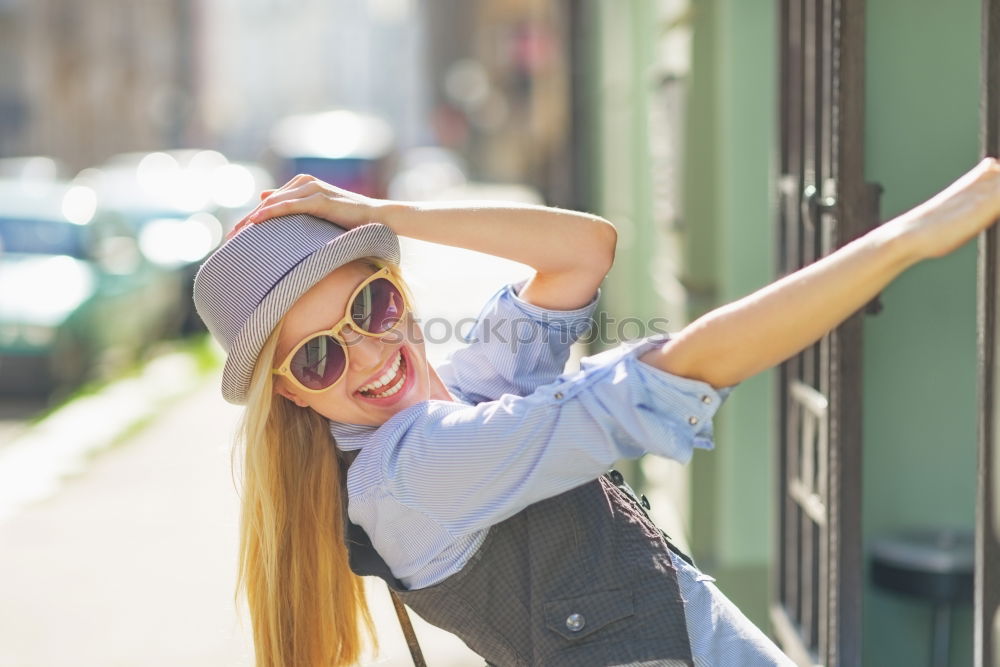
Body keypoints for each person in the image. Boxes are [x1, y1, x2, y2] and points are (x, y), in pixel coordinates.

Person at [193, 159, 1000, 667]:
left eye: (370, 303)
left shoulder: (471, 386)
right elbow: (664, 377)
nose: (370, 352)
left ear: (397, 290)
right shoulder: (413, 469)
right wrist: (909, 240)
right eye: (320, 355)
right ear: (292, 391)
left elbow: (583, 250)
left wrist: (387, 215)